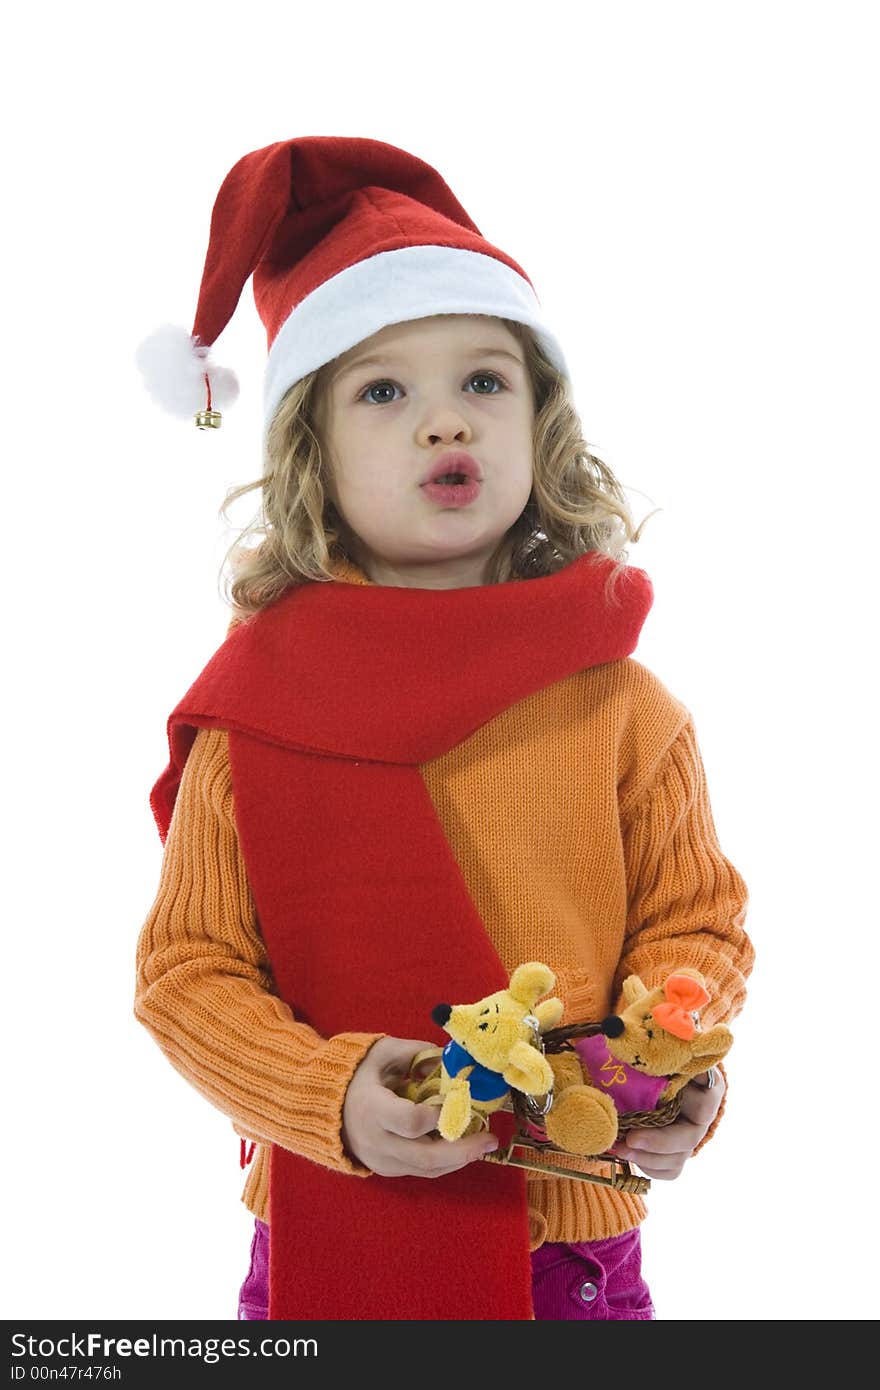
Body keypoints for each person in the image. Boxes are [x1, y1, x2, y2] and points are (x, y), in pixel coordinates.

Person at [134, 135, 754, 1322]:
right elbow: (187, 972)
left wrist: (675, 1064)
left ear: (541, 426)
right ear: (312, 452)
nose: (443, 423)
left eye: (484, 381)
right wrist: (326, 1090)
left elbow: (695, 922)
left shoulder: (620, 705)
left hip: (569, 1242)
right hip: (327, 1229)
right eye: (383, 390)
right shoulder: (257, 713)